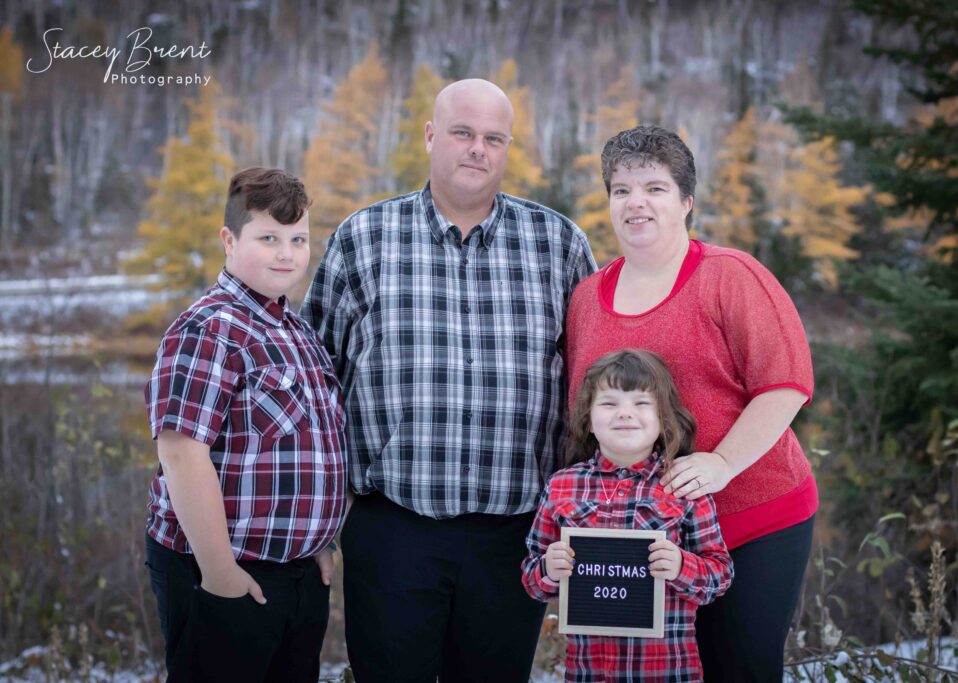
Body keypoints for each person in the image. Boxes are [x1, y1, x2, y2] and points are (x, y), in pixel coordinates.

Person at [302, 78, 596, 682]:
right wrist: (317, 523)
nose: (477, 150)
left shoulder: (559, 245)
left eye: (493, 138)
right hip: (393, 530)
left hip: (515, 533)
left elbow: (590, 391)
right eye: (463, 133)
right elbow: (317, 388)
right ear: (432, 136)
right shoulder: (364, 239)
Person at [565, 125, 817, 682]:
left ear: (686, 202)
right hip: (646, 537)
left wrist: (722, 463)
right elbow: (588, 416)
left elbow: (786, 384)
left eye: (655, 188)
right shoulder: (586, 299)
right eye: (621, 190)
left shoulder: (729, 276)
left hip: (750, 517)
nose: (636, 203)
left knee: (738, 666)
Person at [144, 167, 346, 682]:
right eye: (268, 238)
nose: (286, 253)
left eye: (298, 239)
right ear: (229, 241)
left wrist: (317, 541)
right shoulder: (211, 327)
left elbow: (309, 445)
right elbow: (181, 452)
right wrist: (219, 571)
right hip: (223, 571)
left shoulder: (295, 330)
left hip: (295, 576)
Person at [522, 349, 733, 682]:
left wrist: (681, 566)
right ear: (588, 419)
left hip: (666, 671)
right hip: (587, 672)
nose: (624, 413)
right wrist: (549, 568)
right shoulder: (562, 486)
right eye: (608, 403)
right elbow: (532, 579)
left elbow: (719, 576)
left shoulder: (682, 485)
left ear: (664, 418)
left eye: (641, 403)